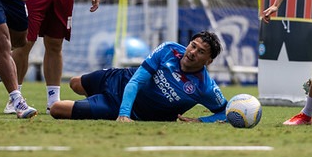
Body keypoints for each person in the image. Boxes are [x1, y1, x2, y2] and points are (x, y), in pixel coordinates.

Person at [49, 31, 228, 122]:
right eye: (193, 45)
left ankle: (96, 104)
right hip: (121, 80)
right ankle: (95, 100)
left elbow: (225, 112)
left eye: (201, 51)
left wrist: (200, 120)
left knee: (57, 109)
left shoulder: (206, 87)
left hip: (124, 108)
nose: (192, 52)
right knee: (75, 83)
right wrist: (124, 114)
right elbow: (136, 81)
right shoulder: (169, 50)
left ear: (208, 61)